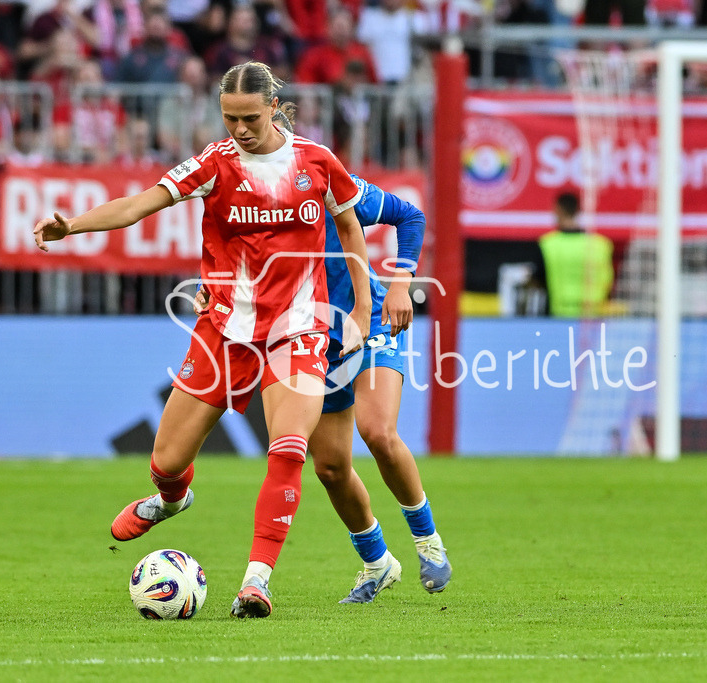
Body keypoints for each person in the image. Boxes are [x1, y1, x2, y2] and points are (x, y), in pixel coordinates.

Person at [32, 61, 373, 619]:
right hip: (223, 334)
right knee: (165, 463)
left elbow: (351, 227)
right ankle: (170, 500)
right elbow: (138, 205)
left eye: (249, 118)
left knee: (288, 448)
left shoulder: (317, 162)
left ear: (273, 108)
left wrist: (360, 305)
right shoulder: (215, 165)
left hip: (298, 329)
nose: (238, 129)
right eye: (228, 117)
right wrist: (74, 226)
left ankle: (256, 582)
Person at [196, 112, 451, 603]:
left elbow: (410, 215)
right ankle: (378, 563)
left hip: (366, 317)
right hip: (304, 333)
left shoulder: (322, 178)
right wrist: (214, 290)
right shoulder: (242, 196)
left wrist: (401, 284)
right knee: (330, 467)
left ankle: (428, 539)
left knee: (377, 430)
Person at [532, 192, 614, 317]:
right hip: (593, 317)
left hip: (560, 316)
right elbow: (608, 280)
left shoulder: (548, 244)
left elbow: (537, 280)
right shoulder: (601, 245)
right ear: (578, 210)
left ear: (558, 210)